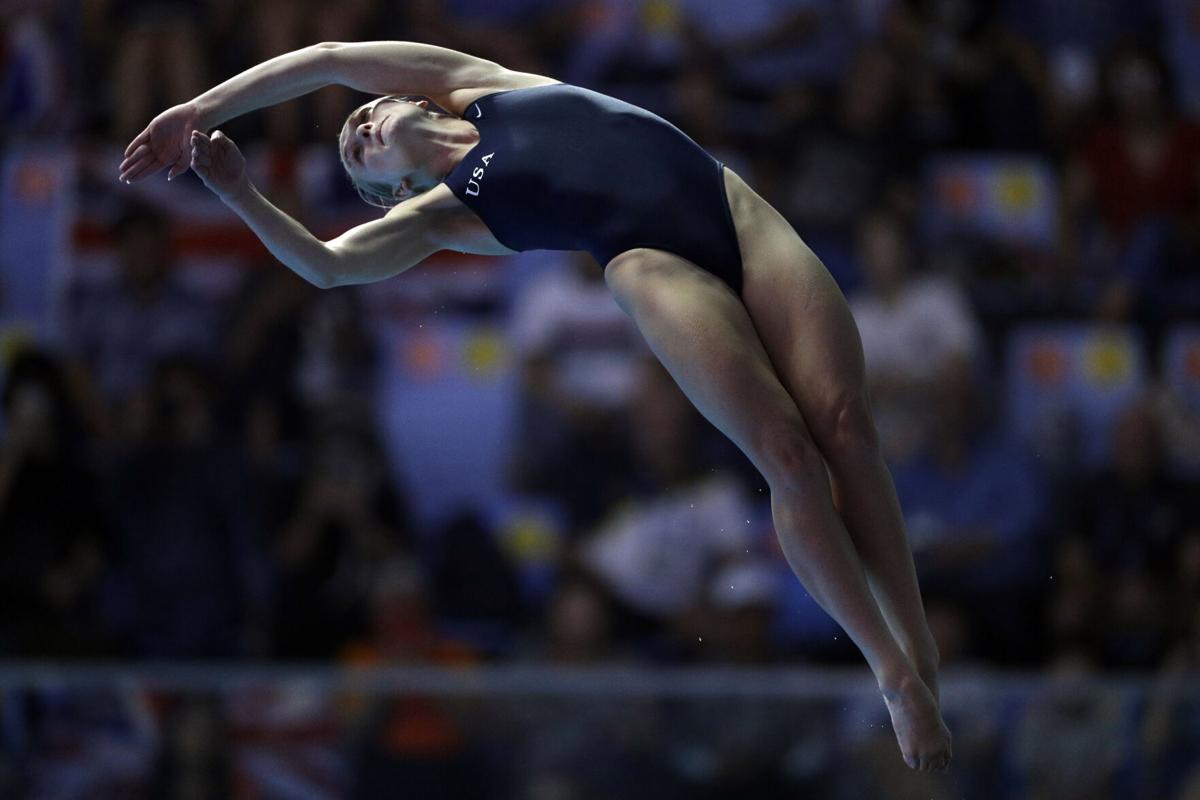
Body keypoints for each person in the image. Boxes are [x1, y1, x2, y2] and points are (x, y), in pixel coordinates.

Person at [118, 40, 951, 771]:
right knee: (791, 455)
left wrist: (199, 106)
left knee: (847, 428)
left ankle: (920, 657)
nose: (360, 124)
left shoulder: (475, 80)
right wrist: (237, 190)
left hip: (732, 207)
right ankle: (889, 671)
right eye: (356, 150)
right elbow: (327, 266)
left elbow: (328, 59)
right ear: (390, 191)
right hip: (653, 263)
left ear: (407, 98)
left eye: (364, 116)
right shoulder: (444, 215)